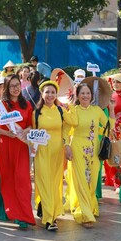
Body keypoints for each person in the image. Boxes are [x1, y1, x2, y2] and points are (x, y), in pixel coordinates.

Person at [64, 83, 115, 228]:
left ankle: (91, 207)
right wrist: (66, 146)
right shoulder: (73, 110)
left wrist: (111, 109)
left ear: (92, 96)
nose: (85, 96)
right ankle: (85, 215)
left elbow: (108, 128)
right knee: (81, 182)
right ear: (77, 95)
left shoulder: (97, 110)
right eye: (82, 93)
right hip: (78, 149)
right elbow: (65, 130)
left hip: (94, 150)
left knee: (92, 181)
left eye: (88, 93)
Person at [0, 74, 35, 229]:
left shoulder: (27, 104)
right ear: (7, 88)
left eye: (18, 85)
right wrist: (6, 133)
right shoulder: (0, 105)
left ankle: (24, 214)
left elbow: (30, 125)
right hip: (6, 145)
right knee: (8, 179)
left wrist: (26, 131)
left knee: (22, 180)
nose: (16, 88)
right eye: (12, 86)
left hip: (21, 147)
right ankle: (12, 212)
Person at [32, 80, 77, 231]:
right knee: (44, 182)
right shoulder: (36, 113)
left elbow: (73, 122)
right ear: (42, 94)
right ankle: (49, 219)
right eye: (47, 92)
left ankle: (46, 208)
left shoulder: (60, 111)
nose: (50, 95)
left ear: (56, 94)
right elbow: (32, 133)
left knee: (55, 184)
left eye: (53, 92)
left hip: (57, 152)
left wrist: (70, 105)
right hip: (42, 153)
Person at [105, 73, 121, 198]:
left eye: (118, 82)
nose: (115, 84)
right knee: (115, 156)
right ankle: (116, 183)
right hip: (113, 130)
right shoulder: (110, 97)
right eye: (113, 82)